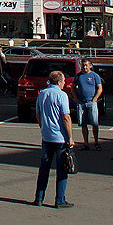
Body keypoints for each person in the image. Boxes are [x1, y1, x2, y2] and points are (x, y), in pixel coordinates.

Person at [33, 70, 74, 208]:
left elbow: (38, 114)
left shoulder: (42, 94)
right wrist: (70, 137)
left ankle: (39, 197)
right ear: (59, 82)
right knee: (62, 169)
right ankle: (60, 199)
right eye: (63, 82)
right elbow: (66, 117)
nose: (64, 84)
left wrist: (43, 127)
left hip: (46, 136)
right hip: (60, 138)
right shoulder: (62, 95)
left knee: (44, 168)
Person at [70, 58, 103, 150]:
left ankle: (96, 142)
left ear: (90, 66)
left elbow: (100, 88)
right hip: (81, 103)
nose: (84, 67)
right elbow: (72, 88)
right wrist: (76, 99)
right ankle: (86, 143)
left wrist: (94, 99)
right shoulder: (78, 76)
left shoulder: (94, 76)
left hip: (91, 103)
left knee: (94, 123)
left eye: (86, 65)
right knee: (83, 124)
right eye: (83, 65)